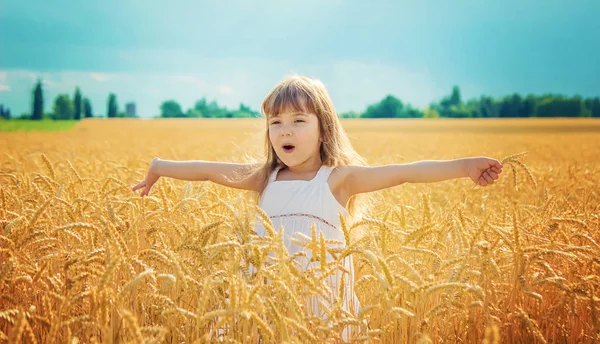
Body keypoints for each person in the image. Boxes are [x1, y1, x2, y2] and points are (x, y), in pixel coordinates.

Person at [131, 75, 503, 341]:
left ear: (323, 129)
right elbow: (207, 171)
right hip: (264, 309)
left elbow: (404, 174)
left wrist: (465, 166)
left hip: (322, 315)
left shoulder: (337, 180)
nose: (285, 131)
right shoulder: (264, 179)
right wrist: (159, 168)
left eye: (297, 121)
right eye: (275, 123)